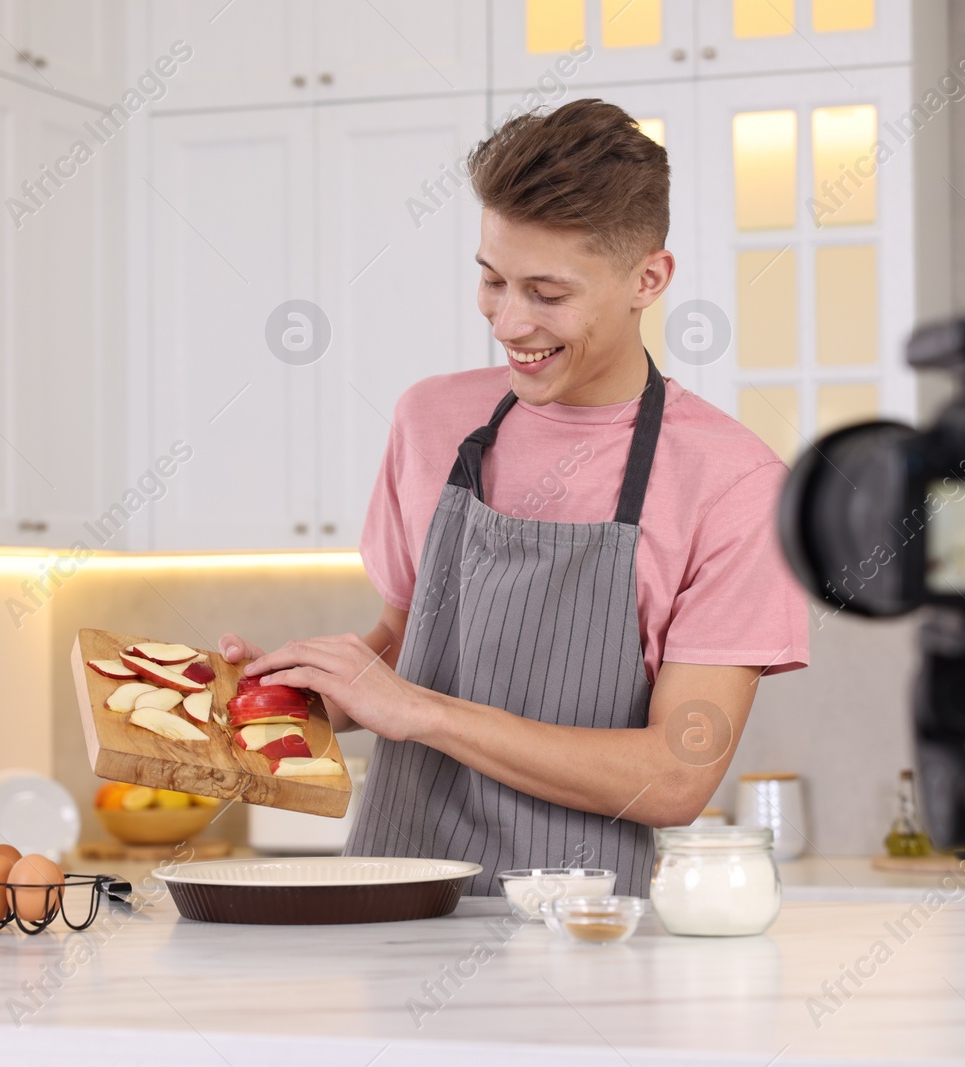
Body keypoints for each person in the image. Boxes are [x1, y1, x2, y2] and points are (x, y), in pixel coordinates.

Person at [221, 99, 808, 896]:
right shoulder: (429, 420)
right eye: (492, 280)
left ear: (649, 279)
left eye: (547, 292)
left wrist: (419, 710)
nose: (509, 320)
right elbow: (408, 644)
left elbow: (676, 774)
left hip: (582, 936)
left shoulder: (734, 484)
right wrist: (302, 694)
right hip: (393, 905)